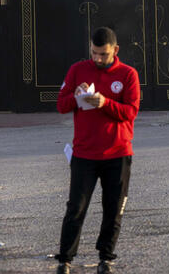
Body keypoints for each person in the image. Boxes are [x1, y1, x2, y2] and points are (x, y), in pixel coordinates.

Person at [55, 27, 140, 274]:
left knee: (113, 209)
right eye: (94, 53)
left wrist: (105, 103)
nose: (98, 59)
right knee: (76, 208)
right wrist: (76, 95)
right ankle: (65, 259)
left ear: (115, 50)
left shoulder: (128, 74)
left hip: (118, 153)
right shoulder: (77, 70)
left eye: (103, 54)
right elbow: (61, 105)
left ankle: (106, 259)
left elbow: (131, 112)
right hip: (84, 154)